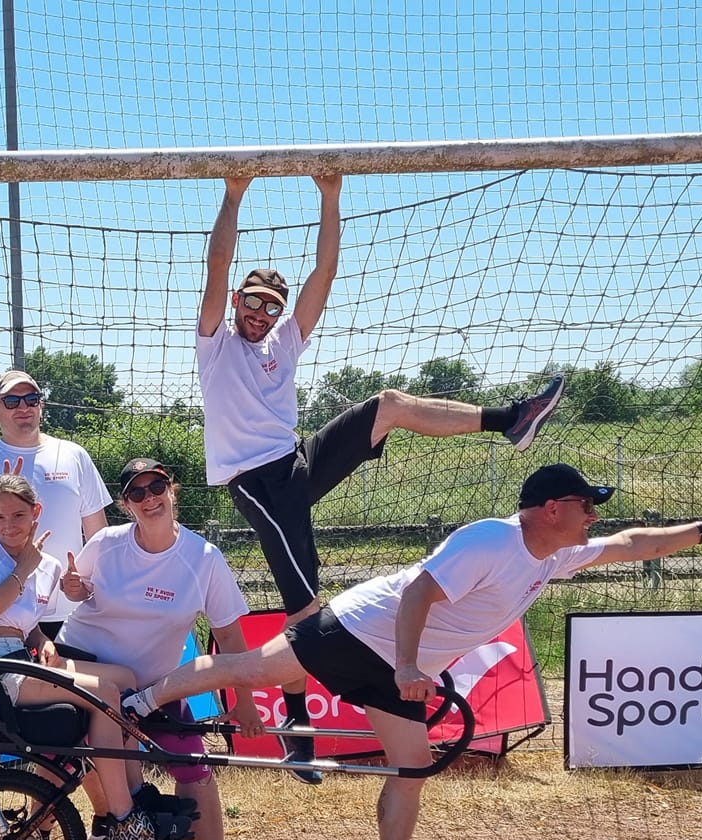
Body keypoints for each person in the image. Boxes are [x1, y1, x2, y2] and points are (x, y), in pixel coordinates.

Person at [121, 463, 702, 840]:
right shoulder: (491, 540)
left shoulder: (550, 556)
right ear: (551, 508)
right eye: (586, 505)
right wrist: (405, 665)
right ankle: (146, 700)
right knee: (253, 671)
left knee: (411, 766)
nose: (593, 516)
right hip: (357, 630)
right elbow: (419, 593)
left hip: (399, 662)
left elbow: (630, 544)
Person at [198, 175, 566, 776]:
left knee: (388, 405)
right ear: (238, 301)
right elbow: (217, 266)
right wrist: (235, 194)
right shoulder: (215, 344)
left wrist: (330, 195)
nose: (261, 314)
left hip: (295, 461)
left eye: (272, 307)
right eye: (253, 302)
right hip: (257, 483)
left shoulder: (284, 344)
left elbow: (324, 274)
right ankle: (299, 733)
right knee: (305, 611)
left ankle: (511, 419)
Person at [57, 458, 269, 840]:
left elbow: (230, 636)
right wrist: (75, 589)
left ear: (172, 490)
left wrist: (245, 701)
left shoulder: (203, 558)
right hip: (85, 667)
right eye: (137, 493)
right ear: (125, 504)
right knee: (55, 762)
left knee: (194, 768)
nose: (149, 498)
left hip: (153, 686)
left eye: (156, 487)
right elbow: (79, 590)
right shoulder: (106, 543)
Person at [0, 472, 155, 840]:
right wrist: (24, 567)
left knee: (126, 680)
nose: (9, 526)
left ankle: (132, 789)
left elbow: (25, 625)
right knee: (104, 693)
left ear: (36, 512)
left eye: (18, 515)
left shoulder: (48, 565)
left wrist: (43, 642)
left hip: (19, 660)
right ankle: (122, 814)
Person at [0, 368, 113, 633]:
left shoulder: (74, 455)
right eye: (11, 401)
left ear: (41, 405)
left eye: (31, 399)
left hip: (71, 609)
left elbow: (99, 536)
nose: (23, 407)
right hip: (5, 615)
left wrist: (90, 588)